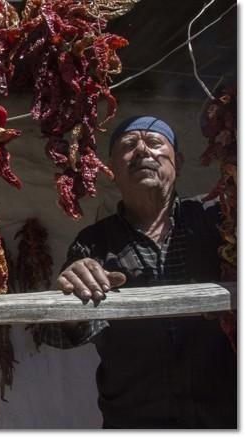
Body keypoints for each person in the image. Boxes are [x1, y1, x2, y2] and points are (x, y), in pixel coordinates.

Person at [37, 116, 236, 428]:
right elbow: (55, 335)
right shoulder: (94, 242)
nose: (143, 151)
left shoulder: (217, 221)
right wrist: (70, 300)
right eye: (129, 146)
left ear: (178, 163)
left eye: (155, 143)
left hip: (225, 418)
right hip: (132, 420)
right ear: (112, 171)